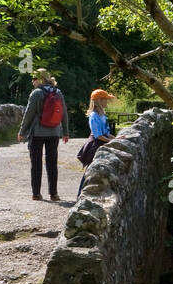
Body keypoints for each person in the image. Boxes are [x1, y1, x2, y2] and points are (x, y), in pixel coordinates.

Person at [16, 69, 69, 200]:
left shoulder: (36, 93)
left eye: (34, 78)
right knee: (52, 163)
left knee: (36, 163)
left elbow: (29, 114)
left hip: (37, 132)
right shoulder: (58, 92)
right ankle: (54, 194)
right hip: (54, 132)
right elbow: (64, 113)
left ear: (40, 79)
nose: (32, 81)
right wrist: (65, 132)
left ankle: (36, 193)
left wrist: (22, 132)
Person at [77, 88, 116, 195]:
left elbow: (106, 133)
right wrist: (110, 141)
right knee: (90, 170)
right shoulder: (94, 116)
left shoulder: (102, 115)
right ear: (99, 101)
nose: (107, 102)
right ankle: (80, 194)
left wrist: (116, 138)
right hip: (95, 145)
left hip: (102, 142)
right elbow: (98, 135)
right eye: (106, 100)